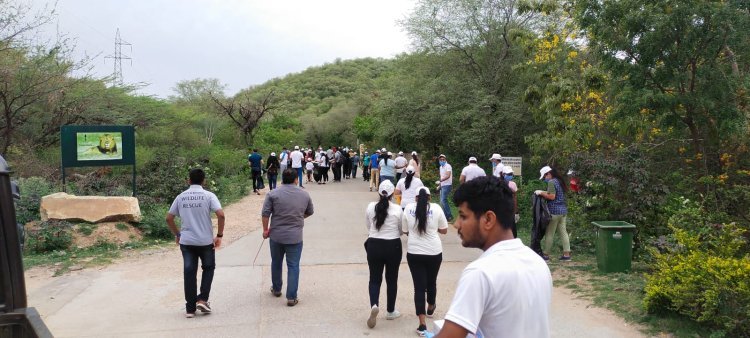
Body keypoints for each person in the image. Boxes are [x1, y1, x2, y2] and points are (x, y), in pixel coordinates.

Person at [434, 176, 551, 337]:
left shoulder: (480, 273)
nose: (456, 224)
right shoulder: (538, 263)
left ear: (488, 219)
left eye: (463, 216)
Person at [166, 168, 226, 318]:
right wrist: (219, 235)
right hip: (205, 241)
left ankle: (190, 309)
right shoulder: (209, 195)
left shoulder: (181, 197)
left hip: (186, 242)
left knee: (189, 272)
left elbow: (169, 218)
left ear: (189, 180)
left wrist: (178, 234)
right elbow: (221, 215)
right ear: (204, 181)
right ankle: (202, 299)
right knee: (208, 268)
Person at [262, 169, 315, 306]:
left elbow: (265, 213)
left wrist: (265, 230)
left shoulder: (273, 194)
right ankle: (291, 297)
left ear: (282, 179)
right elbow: (310, 211)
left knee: (276, 262)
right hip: (295, 237)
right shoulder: (304, 194)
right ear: (296, 179)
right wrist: (298, 217)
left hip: (276, 235)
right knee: (293, 266)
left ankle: (277, 289)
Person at [401, 187, 448, 335]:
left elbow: (405, 230)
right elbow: (445, 230)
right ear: (429, 197)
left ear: (415, 198)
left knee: (419, 287)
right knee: (431, 281)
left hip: (414, 252)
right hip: (434, 252)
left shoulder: (408, 208)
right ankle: (431, 305)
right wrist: (434, 229)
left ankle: (422, 324)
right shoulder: (436, 208)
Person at [364, 180, 403, 329]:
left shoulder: (370, 207)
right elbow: (400, 230)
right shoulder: (398, 209)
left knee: (374, 279)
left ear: (379, 193)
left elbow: (368, 225)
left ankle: (374, 305)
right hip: (392, 245)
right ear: (393, 194)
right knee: (392, 279)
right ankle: (391, 310)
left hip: (374, 244)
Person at [535, 166, 571, 261]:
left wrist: (541, 193)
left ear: (549, 174)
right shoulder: (559, 181)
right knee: (563, 233)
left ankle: (546, 255)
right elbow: (554, 193)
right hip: (563, 211)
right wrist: (543, 191)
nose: (544, 179)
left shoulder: (551, 182)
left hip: (554, 211)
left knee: (549, 233)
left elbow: (551, 196)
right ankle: (566, 255)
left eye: (544, 177)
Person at [436, 154, 453, 222]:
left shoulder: (448, 166)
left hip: (447, 185)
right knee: (442, 201)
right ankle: (446, 216)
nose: (442, 160)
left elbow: (448, 175)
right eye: (440, 160)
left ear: (445, 160)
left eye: (443, 159)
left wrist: (440, 181)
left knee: (443, 200)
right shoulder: (441, 167)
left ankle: (449, 216)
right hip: (443, 185)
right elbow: (442, 176)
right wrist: (440, 185)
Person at [502, 166, 519, 237]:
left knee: (512, 229)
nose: (510, 176)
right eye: (508, 174)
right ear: (503, 174)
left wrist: (516, 211)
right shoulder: (498, 183)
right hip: (501, 209)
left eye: (511, 174)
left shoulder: (513, 184)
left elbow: (515, 198)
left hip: (510, 209)